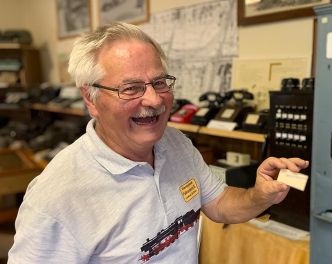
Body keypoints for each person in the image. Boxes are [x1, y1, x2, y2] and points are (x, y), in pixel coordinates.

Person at [8, 22, 309, 263]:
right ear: (91, 98)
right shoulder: (56, 199)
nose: (153, 100)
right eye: (131, 88)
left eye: (160, 82)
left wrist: (260, 195)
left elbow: (219, 205)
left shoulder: (176, 144)